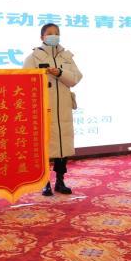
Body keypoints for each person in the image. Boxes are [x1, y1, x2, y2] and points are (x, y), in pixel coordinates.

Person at [23, 23, 83, 196]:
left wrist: (60, 73)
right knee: (44, 146)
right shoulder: (34, 57)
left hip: (62, 107)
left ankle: (60, 181)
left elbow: (76, 78)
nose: (54, 36)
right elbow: (25, 82)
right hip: (43, 108)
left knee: (62, 145)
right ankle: (45, 182)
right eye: (50, 33)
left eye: (57, 33)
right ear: (42, 37)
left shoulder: (66, 55)